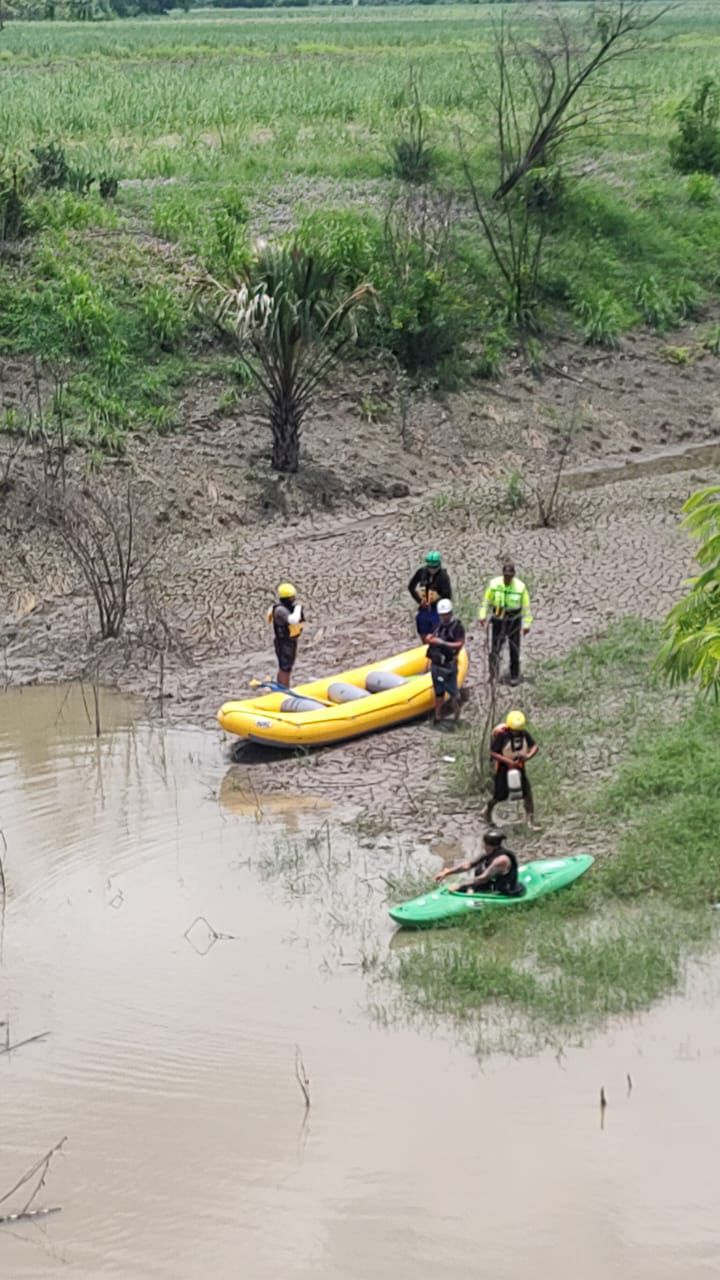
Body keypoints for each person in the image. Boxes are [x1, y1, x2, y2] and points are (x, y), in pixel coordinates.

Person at [482, 709, 539, 830]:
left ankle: (530, 822)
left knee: (527, 794)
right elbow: (493, 753)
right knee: (500, 796)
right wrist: (508, 762)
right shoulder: (502, 736)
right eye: (514, 731)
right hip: (503, 770)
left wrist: (528, 756)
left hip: (520, 767)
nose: (516, 733)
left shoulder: (524, 734)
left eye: (518, 731)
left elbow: (534, 746)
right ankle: (487, 812)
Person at [478, 560, 532, 686]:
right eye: (506, 575)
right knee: (495, 648)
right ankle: (493, 675)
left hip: (514, 619)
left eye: (510, 576)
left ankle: (514, 676)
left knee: (514, 648)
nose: (507, 578)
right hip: (498, 617)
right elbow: (486, 600)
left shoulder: (520, 587)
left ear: (513, 575)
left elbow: (526, 606)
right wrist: (482, 615)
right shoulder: (494, 584)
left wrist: (527, 624)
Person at [434, 828, 523, 897]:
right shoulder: (489, 853)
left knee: (468, 884)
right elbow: (468, 865)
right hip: (491, 884)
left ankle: (473, 892)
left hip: (504, 890)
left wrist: (460, 885)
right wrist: (447, 872)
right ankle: (472, 890)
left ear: (487, 844)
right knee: (479, 867)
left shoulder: (501, 860)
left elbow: (483, 878)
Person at [425, 598, 465, 728]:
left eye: (446, 614)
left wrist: (442, 643)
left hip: (448, 664)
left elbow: (459, 643)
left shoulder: (457, 627)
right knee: (439, 691)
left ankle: (457, 717)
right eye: (442, 615)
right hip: (437, 664)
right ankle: (437, 716)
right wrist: (430, 639)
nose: (444, 617)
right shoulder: (438, 624)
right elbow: (428, 636)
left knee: (454, 693)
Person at [267, 583, 304, 689]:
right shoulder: (280, 610)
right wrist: (298, 607)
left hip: (289, 641)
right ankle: (283, 689)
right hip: (283, 642)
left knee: (288, 666)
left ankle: (284, 687)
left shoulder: (284, 608)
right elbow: (293, 620)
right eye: (292, 597)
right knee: (285, 667)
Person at [408, 551, 452, 639]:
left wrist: (435, 600)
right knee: (422, 629)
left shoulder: (443, 576)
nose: (432, 569)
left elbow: (447, 596)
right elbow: (411, 587)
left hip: (437, 610)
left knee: (438, 632)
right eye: (430, 567)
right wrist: (419, 601)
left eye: (434, 567)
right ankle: (426, 647)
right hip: (424, 608)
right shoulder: (421, 572)